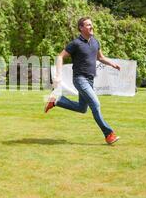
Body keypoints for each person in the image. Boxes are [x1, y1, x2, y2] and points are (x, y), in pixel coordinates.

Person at [44, 17, 121, 145]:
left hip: (90, 80)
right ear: (81, 28)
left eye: (92, 24)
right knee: (95, 104)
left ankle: (56, 100)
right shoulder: (75, 43)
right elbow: (60, 56)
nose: (91, 27)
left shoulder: (95, 42)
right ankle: (109, 134)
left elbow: (100, 58)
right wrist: (58, 75)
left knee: (82, 108)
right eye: (88, 25)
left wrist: (112, 63)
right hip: (80, 79)